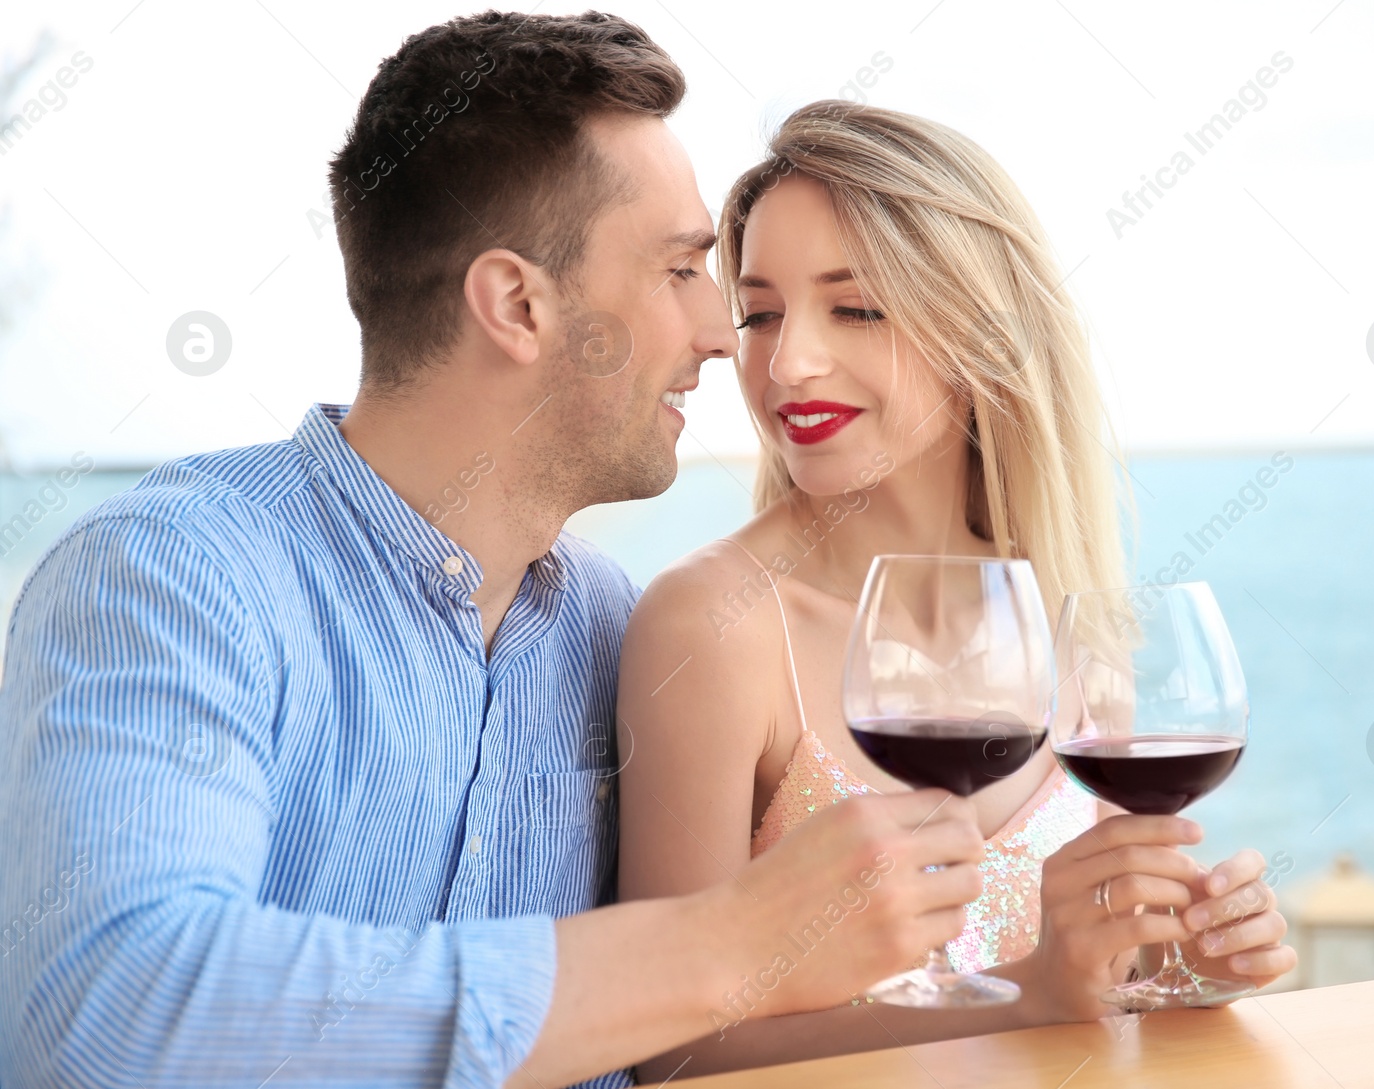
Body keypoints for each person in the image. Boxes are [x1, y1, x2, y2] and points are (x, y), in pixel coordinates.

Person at [0, 16, 994, 1089]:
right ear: (518, 305)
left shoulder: (617, 627)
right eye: (679, 271)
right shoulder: (171, 578)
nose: (722, 334)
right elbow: (123, 1013)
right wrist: (726, 945)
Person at [617, 101, 1297, 1079]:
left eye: (853, 308)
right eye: (760, 312)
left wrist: (1182, 962)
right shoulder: (712, 627)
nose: (787, 362)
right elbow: (672, 1051)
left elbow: (1097, 983)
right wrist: (1034, 996)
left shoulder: (1065, 611)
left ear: (981, 331)